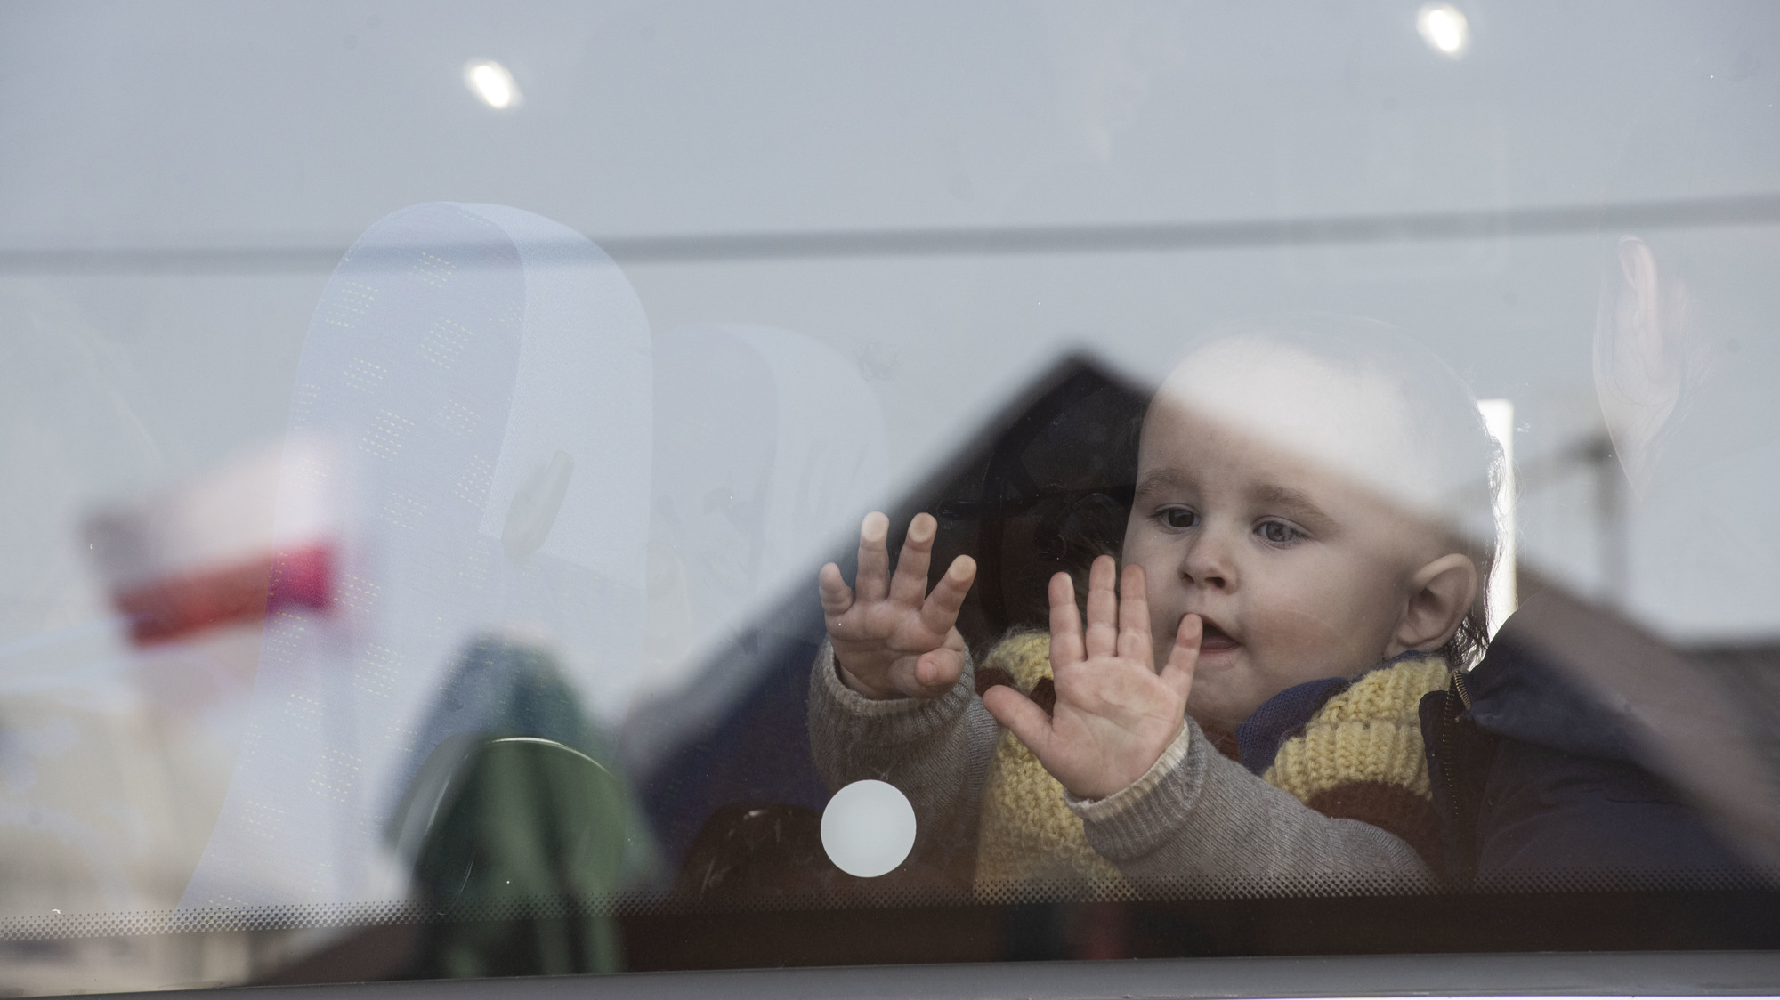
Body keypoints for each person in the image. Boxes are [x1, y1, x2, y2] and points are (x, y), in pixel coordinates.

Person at [809, 315, 1500, 898]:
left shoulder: (1407, 730)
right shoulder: (1046, 679)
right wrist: (898, 704)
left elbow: (1368, 901)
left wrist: (1157, 789)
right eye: (1175, 514)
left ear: (1422, 606)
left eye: (1277, 530)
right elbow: (917, 828)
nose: (1204, 560)